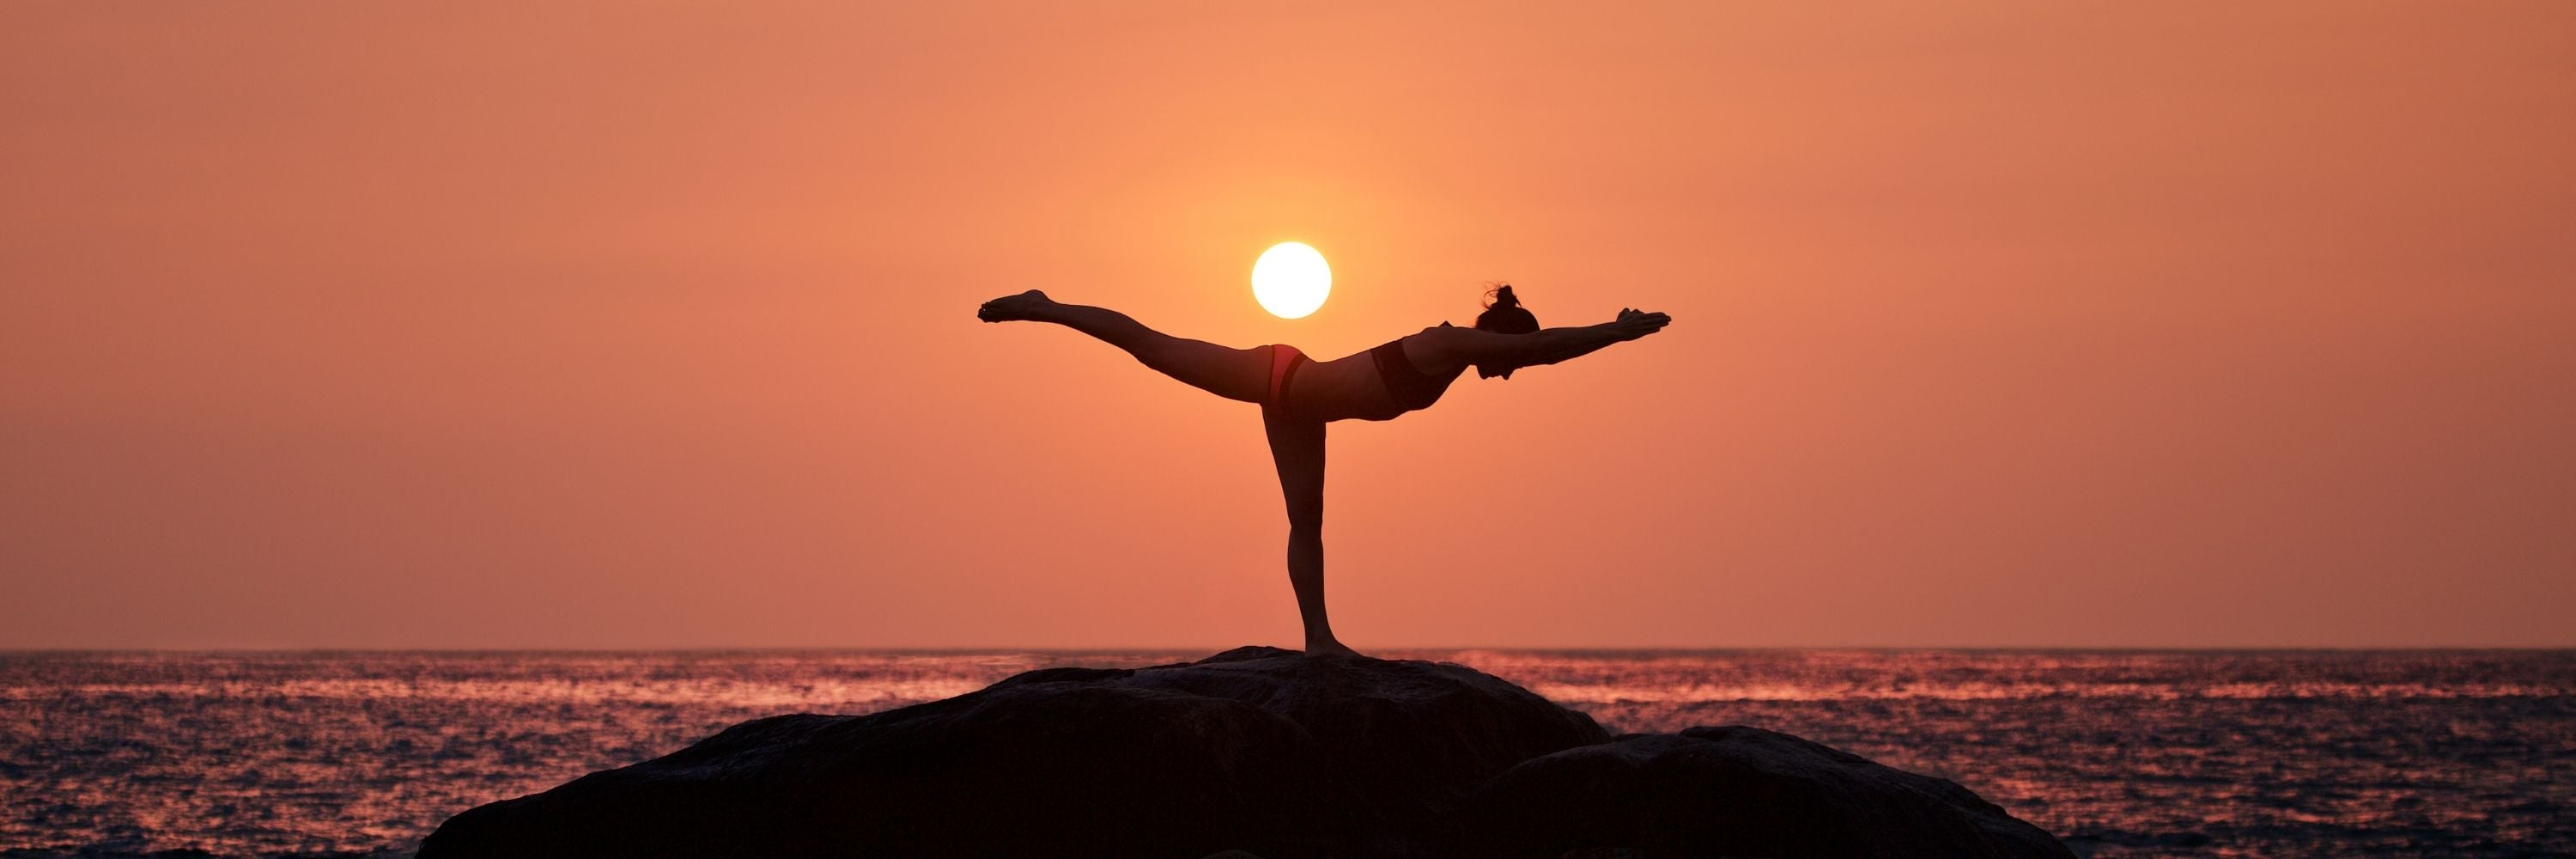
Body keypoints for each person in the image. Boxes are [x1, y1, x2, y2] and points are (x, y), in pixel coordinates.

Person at [978, 284, 1670, 656]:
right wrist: (1616, 331)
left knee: (1306, 521)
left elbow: (1541, 349)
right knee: (1151, 347)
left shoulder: (1457, 361)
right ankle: (1046, 307)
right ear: (1501, 337)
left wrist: (1607, 328)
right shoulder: (1450, 342)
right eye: (1510, 359)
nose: (1509, 373)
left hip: (1298, 408)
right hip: (1278, 372)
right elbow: (1547, 347)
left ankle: (1318, 641)